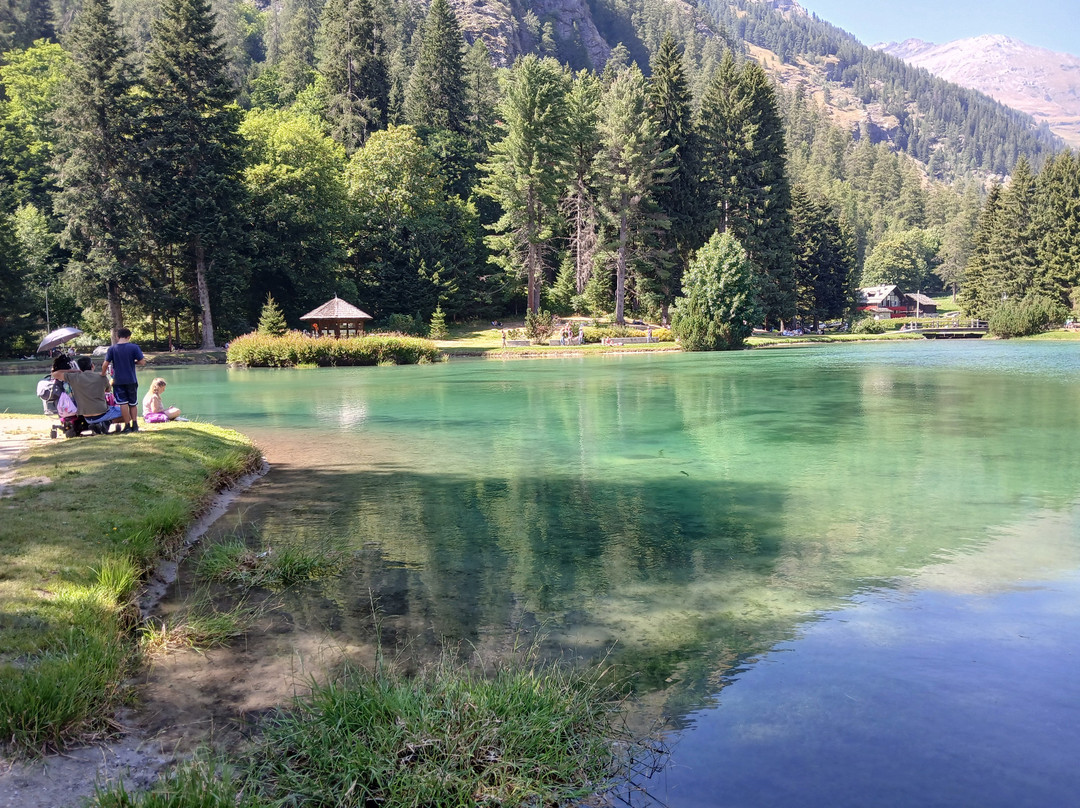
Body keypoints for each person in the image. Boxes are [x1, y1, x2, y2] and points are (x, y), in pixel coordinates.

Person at [52, 356, 122, 432]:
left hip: (86, 416)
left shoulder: (74, 377)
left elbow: (54, 374)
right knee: (127, 412)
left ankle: (100, 424)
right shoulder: (101, 377)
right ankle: (108, 422)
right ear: (92, 366)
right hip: (102, 412)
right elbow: (108, 390)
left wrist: (74, 371)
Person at [102, 327, 146, 433]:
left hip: (118, 380)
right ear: (129, 336)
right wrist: (133, 362)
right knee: (133, 403)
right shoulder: (134, 347)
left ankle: (127, 426)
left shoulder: (112, 349)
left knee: (123, 403)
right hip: (131, 379)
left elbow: (105, 364)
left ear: (117, 337)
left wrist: (102, 374)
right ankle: (135, 425)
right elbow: (142, 362)